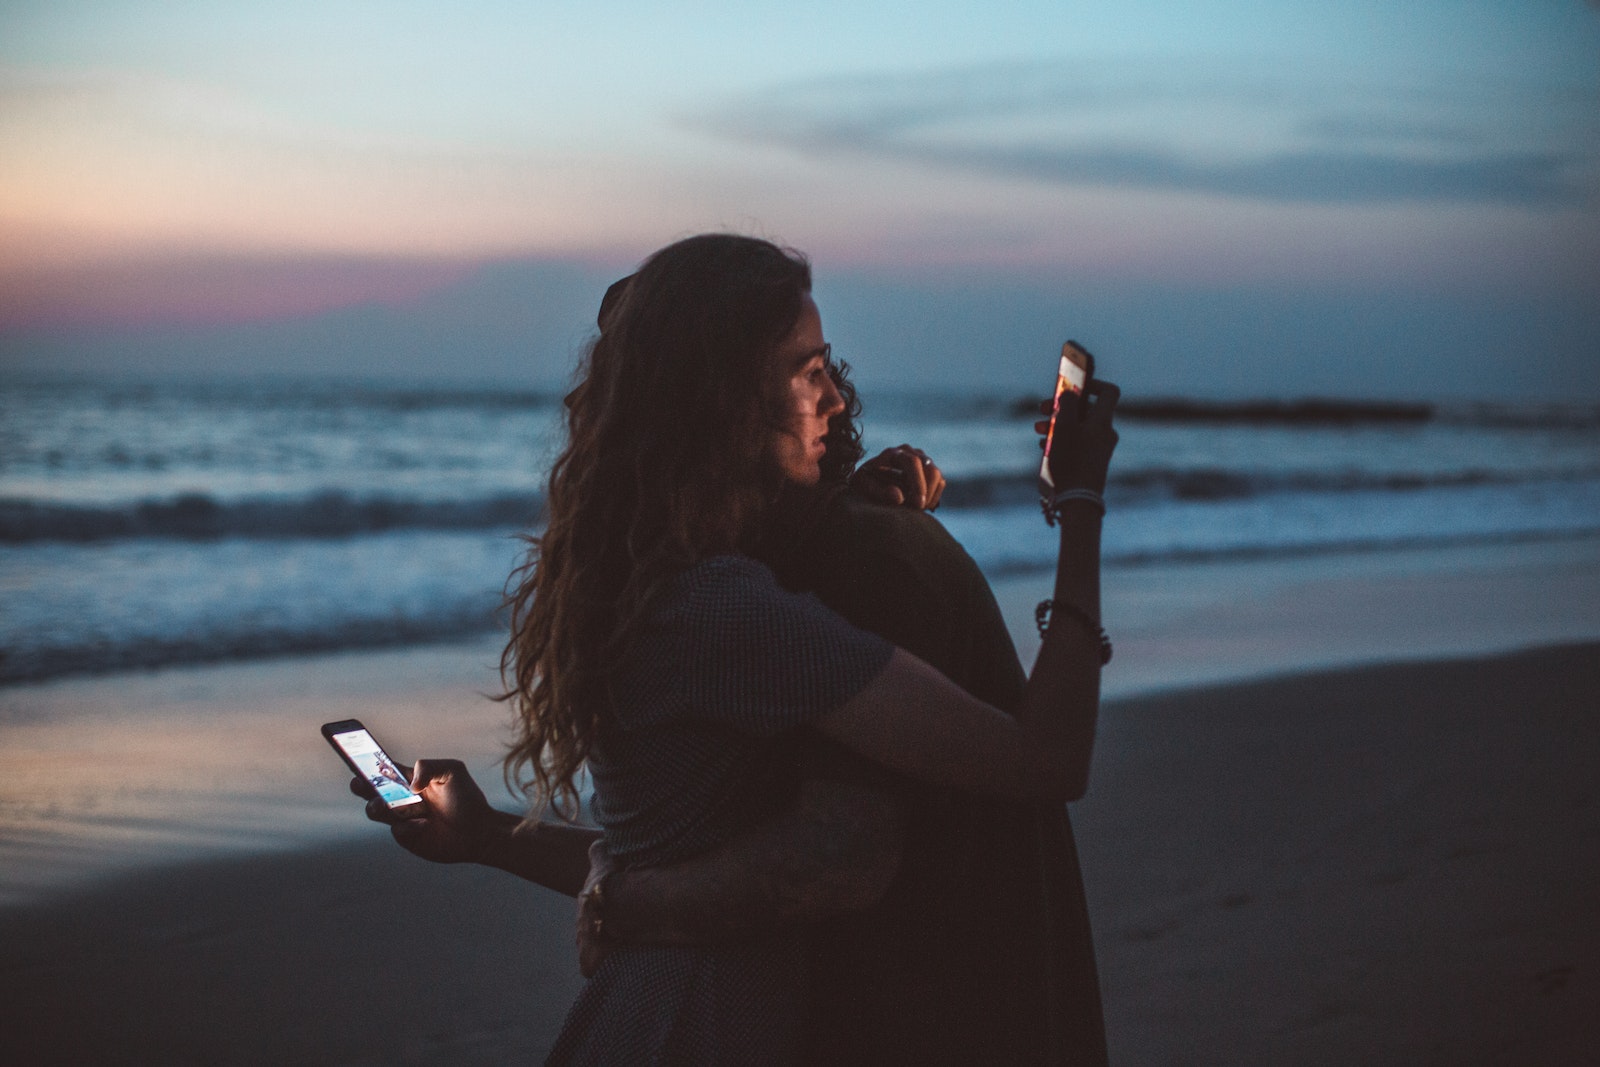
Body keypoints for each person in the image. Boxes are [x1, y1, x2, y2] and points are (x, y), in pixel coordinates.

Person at [356, 233, 1119, 1064]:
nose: (834, 396)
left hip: (649, 1013)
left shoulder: (653, 578)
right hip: (700, 1028)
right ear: (723, 397)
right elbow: (1046, 757)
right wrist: (1080, 503)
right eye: (807, 370)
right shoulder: (728, 609)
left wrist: (483, 836)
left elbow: (653, 868)